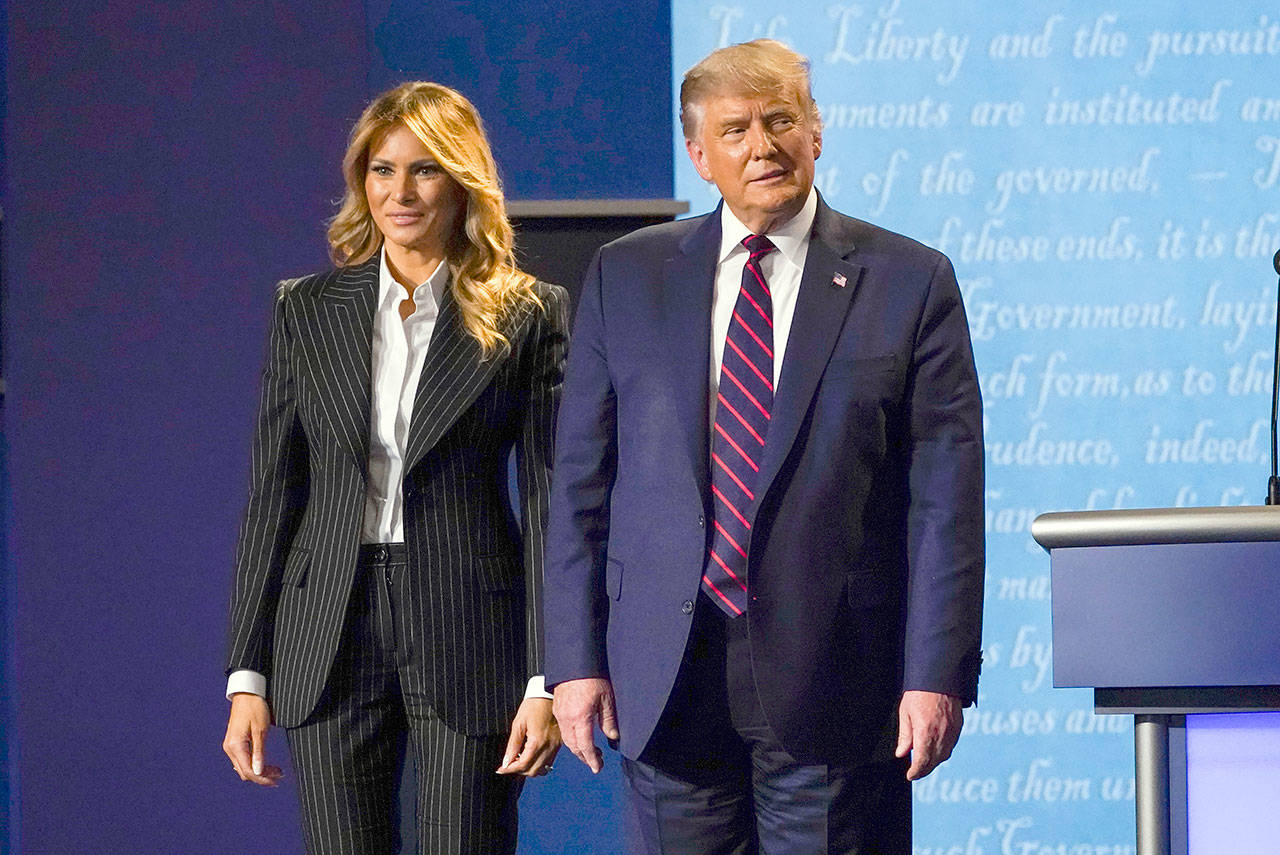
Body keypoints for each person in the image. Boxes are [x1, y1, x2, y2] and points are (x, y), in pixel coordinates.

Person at [544, 40, 984, 853]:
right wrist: (571, 660)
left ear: (816, 133)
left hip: (840, 678)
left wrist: (936, 672)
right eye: (736, 128)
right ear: (699, 154)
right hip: (666, 674)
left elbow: (945, 503)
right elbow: (579, 487)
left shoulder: (909, 279)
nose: (763, 145)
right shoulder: (625, 275)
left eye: (781, 120)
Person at [220, 81, 567, 854]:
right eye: (382, 170)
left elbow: (550, 505)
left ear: (462, 181)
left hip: (470, 621)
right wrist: (247, 674)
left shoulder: (530, 312)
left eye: (425, 170)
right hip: (328, 625)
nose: (400, 192)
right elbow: (274, 495)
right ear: (361, 182)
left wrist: (547, 677)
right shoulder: (306, 308)